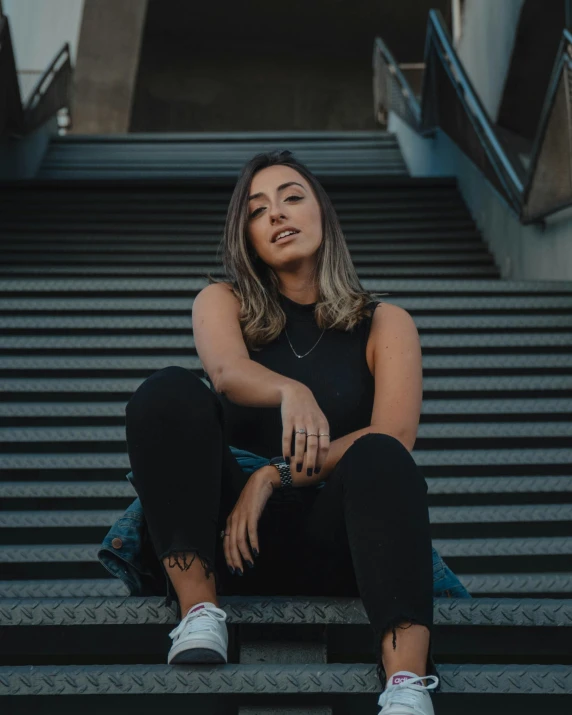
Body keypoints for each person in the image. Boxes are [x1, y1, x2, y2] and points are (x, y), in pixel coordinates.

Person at [124, 150, 441, 714]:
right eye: (257, 209)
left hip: (339, 541)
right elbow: (224, 372)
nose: (277, 214)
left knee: (381, 456)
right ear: (245, 234)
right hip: (226, 541)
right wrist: (292, 391)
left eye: (292, 197)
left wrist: (272, 476)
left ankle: (406, 686)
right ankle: (199, 614)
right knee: (169, 391)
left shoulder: (385, 323)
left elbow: (394, 434)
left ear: (322, 213)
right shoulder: (221, 301)